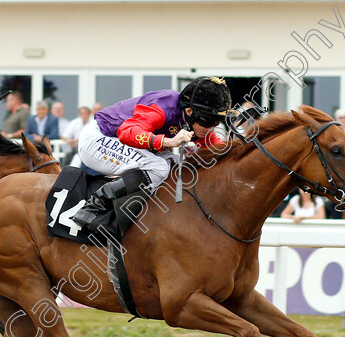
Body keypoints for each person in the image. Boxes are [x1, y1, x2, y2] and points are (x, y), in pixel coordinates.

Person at [72, 77, 231, 232]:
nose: (212, 128)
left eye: (217, 122)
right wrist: (168, 142)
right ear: (189, 111)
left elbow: (218, 148)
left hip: (121, 142)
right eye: (209, 121)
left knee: (178, 167)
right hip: (99, 139)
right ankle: (93, 207)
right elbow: (127, 133)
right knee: (159, 167)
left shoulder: (195, 118)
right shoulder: (162, 107)